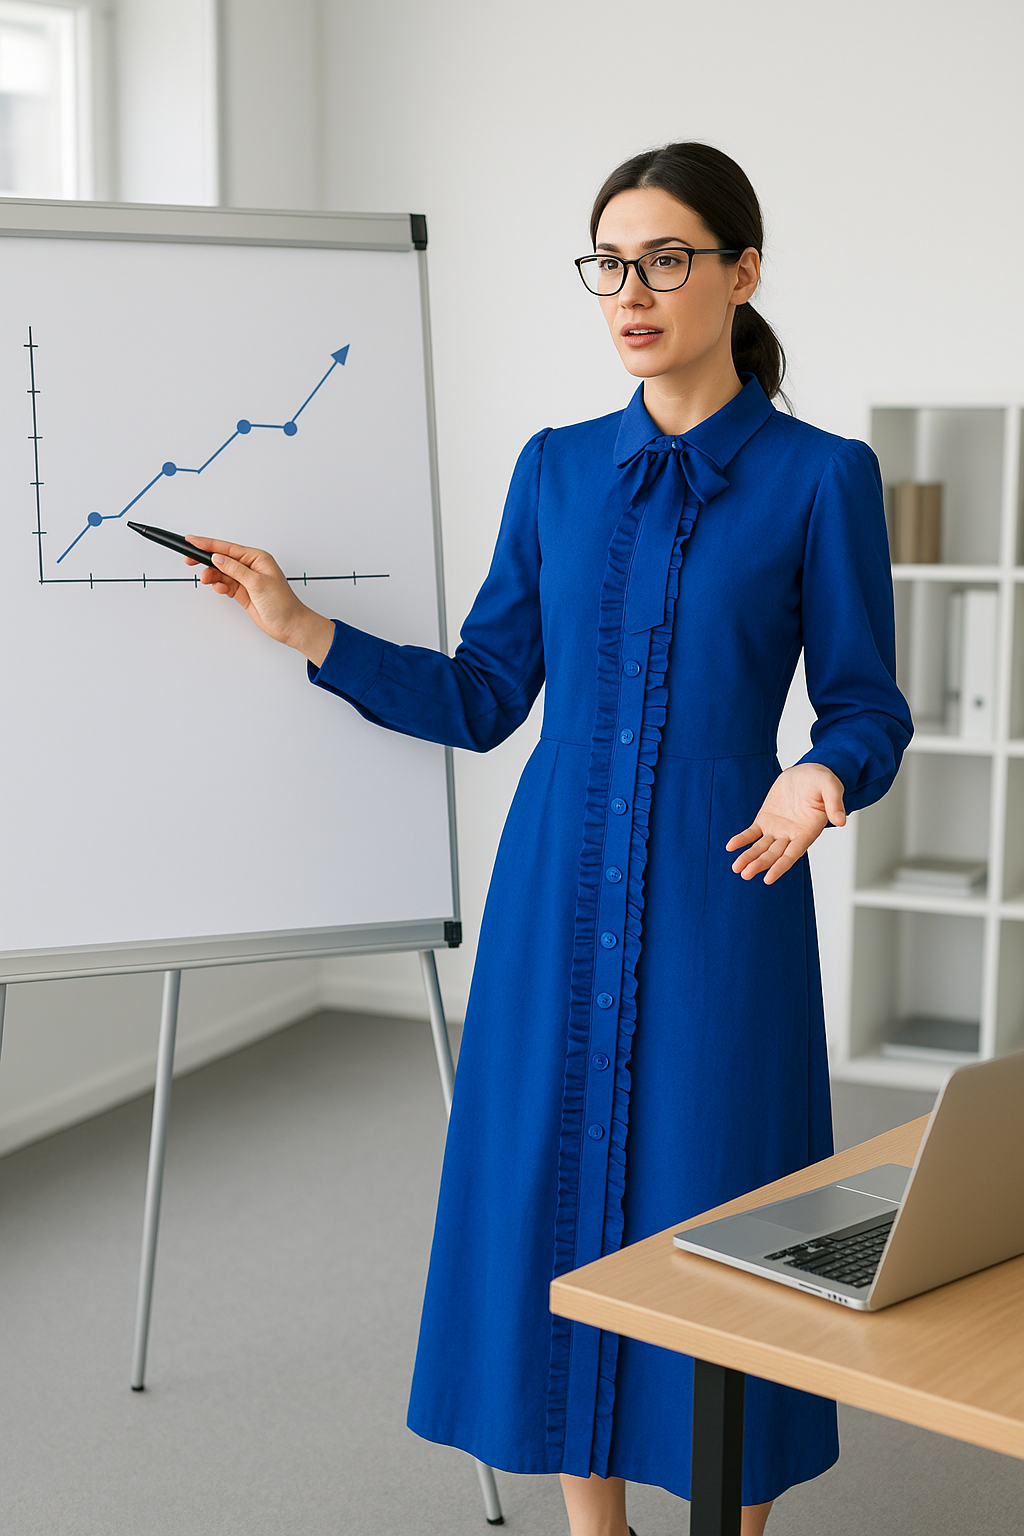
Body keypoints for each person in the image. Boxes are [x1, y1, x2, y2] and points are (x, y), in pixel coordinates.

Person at [186, 142, 912, 1536]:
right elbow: (482, 695)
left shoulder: (824, 476)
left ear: (742, 272)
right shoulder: (559, 470)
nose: (630, 291)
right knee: (557, 1177)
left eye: (665, 260)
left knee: (723, 1192)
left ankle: (725, 1515)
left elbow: (869, 701)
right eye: (609, 264)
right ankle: (594, 1524)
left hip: (726, 883)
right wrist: (304, 630)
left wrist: (825, 771)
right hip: (554, 886)